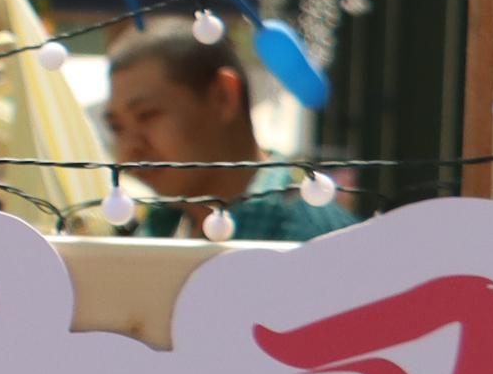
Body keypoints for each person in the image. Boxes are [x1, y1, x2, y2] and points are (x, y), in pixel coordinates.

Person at [99, 15, 358, 243]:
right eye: (116, 128)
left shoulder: (315, 239)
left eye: (147, 115)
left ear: (223, 95)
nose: (129, 149)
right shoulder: (156, 229)